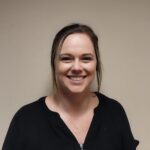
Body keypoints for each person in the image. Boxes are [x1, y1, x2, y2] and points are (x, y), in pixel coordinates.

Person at [2, 23, 139, 150]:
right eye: (66, 58)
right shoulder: (26, 120)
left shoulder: (114, 112)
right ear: (54, 64)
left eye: (86, 58)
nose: (77, 67)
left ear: (96, 64)